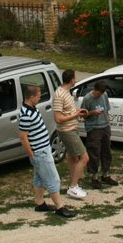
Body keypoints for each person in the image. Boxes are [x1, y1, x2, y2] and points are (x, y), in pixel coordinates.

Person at [18, 85, 76, 218]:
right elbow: (23, 137)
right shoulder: (26, 114)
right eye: (38, 95)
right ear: (32, 97)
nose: (40, 98)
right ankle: (60, 207)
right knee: (53, 179)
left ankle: (40, 203)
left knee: (39, 178)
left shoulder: (31, 108)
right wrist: (32, 155)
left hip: (43, 149)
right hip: (40, 152)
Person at [53, 69, 89, 199]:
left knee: (73, 158)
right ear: (72, 79)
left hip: (72, 129)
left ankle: (75, 184)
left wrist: (77, 111)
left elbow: (67, 112)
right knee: (84, 157)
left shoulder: (66, 92)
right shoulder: (59, 94)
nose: (76, 80)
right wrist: (75, 115)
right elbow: (58, 118)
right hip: (67, 131)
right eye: (75, 77)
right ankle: (73, 187)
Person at [80, 81, 118, 189]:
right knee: (94, 152)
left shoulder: (104, 95)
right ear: (95, 90)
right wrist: (92, 112)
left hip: (105, 126)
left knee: (106, 151)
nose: (100, 95)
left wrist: (108, 124)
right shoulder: (87, 98)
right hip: (94, 128)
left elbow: (107, 110)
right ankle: (94, 177)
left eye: (101, 93)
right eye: (98, 93)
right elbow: (82, 114)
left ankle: (105, 174)